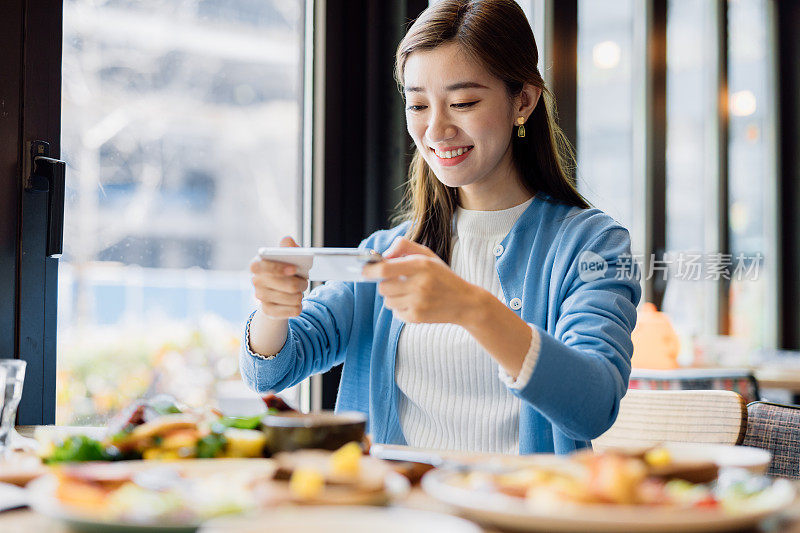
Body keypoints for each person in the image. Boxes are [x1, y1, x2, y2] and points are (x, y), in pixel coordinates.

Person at [241, 0, 641, 454]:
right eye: (417, 105)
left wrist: (473, 308)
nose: (436, 129)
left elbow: (594, 405)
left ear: (523, 102)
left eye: (463, 102)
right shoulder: (389, 252)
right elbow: (269, 371)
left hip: (515, 514)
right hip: (398, 515)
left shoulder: (592, 245)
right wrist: (274, 307)